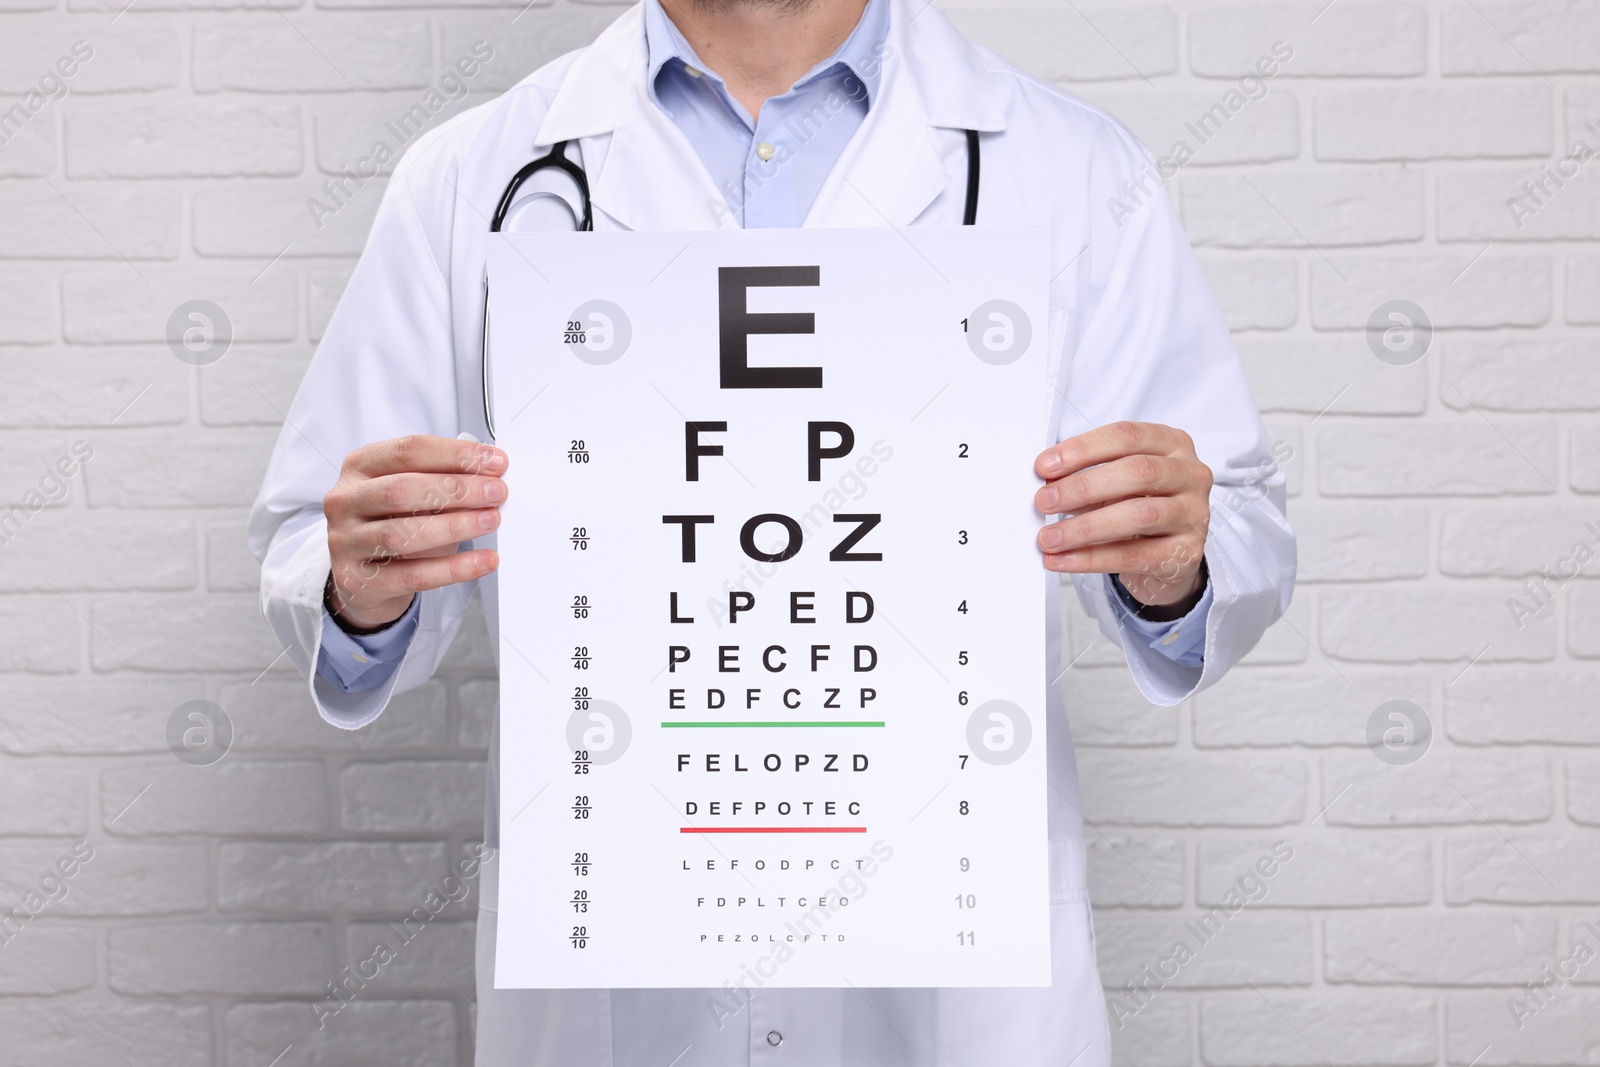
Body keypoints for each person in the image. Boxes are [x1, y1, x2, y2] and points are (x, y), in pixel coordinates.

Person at [249, 0, 1296, 1062]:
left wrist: (1173, 561)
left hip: (951, 984)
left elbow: (1238, 521)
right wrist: (360, 587)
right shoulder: (471, 180)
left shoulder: (1073, 176)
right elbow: (313, 540)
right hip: (625, 970)